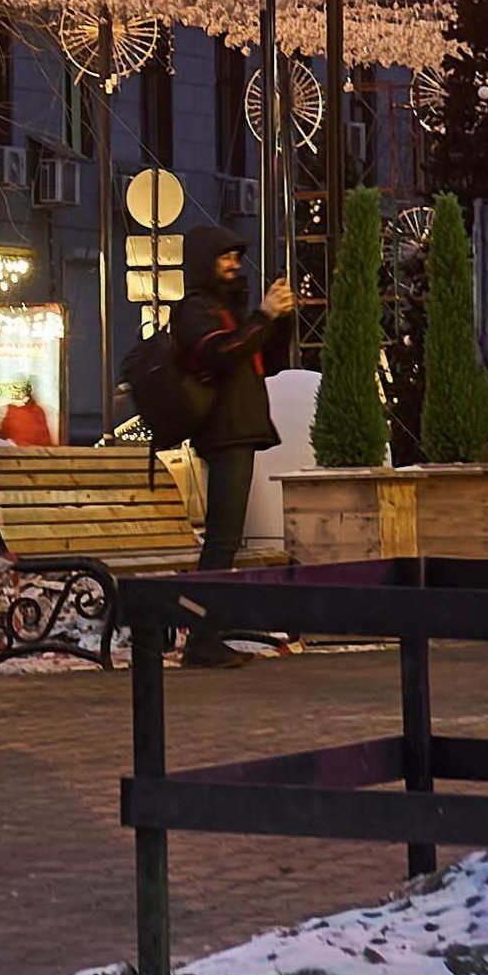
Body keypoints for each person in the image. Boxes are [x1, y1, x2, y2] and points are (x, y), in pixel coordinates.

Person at [137, 225, 299, 668]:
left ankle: (208, 634)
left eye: (235, 257)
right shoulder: (196, 309)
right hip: (223, 433)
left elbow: (264, 362)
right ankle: (202, 639)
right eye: (224, 257)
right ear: (205, 260)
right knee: (221, 541)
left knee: (226, 540)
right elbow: (221, 355)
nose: (233, 265)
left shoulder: (228, 311)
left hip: (240, 431)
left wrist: (276, 320)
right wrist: (263, 316)